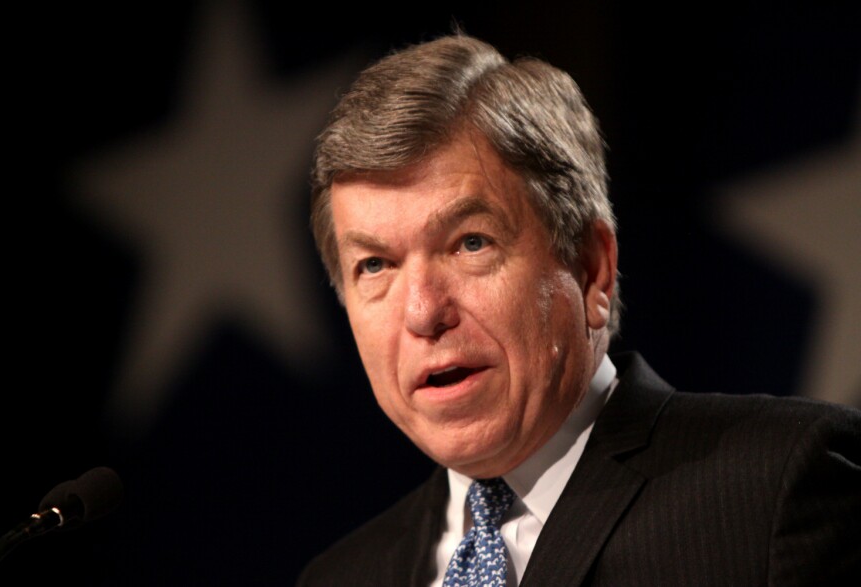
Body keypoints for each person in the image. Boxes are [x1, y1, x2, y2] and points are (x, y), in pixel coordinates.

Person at [297, 33, 860, 587]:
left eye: (471, 243)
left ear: (592, 269)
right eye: (374, 266)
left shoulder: (772, 494)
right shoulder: (342, 575)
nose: (422, 312)